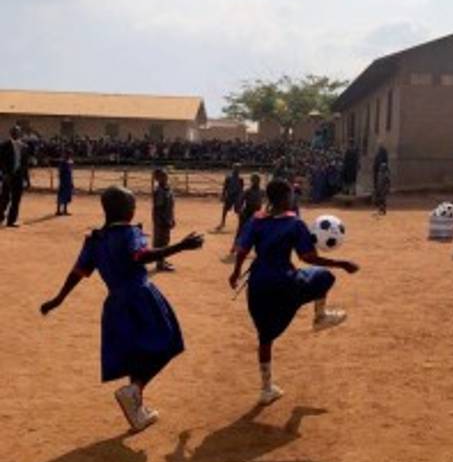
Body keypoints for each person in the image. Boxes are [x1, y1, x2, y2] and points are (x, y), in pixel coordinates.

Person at [40, 186, 203, 431]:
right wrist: (180, 246)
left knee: (135, 354)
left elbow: (78, 272)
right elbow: (141, 256)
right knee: (168, 342)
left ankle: (137, 410)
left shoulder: (95, 239)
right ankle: (135, 390)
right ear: (124, 210)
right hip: (141, 296)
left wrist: (58, 298)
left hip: (115, 302)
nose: (135, 208)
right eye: (132, 205)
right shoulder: (129, 232)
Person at [229, 178, 359, 405]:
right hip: (284, 282)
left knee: (265, 337)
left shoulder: (257, 220)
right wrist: (342, 263)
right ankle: (320, 316)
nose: (292, 199)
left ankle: (266, 388)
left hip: (258, 284)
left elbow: (242, 249)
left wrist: (235, 272)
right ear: (284, 198)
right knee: (325, 276)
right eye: (290, 195)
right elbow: (307, 257)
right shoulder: (294, 223)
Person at [0, 125, 30, 228]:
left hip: (19, 176)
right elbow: (1, 162)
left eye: (17, 131)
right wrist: (3, 174)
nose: (15, 133)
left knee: (16, 199)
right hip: (8, 175)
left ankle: (11, 221)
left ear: (20, 133)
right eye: (13, 131)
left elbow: (25, 165)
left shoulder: (24, 147)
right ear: (10, 133)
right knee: (4, 198)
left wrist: (27, 179)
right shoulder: (4, 146)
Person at [152, 168, 176, 272]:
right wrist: (163, 221)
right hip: (161, 220)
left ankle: (162, 260)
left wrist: (172, 218)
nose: (166, 178)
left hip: (167, 218)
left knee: (165, 241)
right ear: (158, 178)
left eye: (166, 176)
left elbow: (170, 206)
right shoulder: (160, 191)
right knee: (160, 242)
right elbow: (158, 208)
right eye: (163, 176)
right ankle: (159, 264)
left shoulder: (167, 189)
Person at [217, 164, 243, 231]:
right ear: (233, 169)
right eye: (235, 168)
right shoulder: (229, 177)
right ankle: (223, 222)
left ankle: (241, 224)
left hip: (236, 196)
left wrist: (241, 197)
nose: (236, 170)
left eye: (238, 168)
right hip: (230, 195)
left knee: (238, 211)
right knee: (225, 209)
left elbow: (241, 189)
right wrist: (223, 195)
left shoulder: (240, 179)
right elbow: (225, 187)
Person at [56, 148, 74, 216]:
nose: (69, 155)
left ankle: (65, 210)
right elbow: (60, 172)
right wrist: (61, 180)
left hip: (68, 180)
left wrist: (71, 182)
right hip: (64, 180)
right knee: (61, 195)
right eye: (68, 154)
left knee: (67, 195)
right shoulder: (63, 162)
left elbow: (70, 173)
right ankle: (58, 210)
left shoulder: (69, 162)